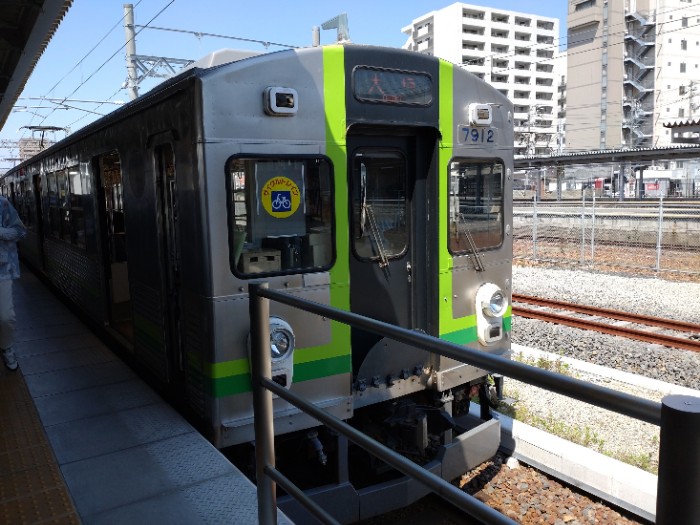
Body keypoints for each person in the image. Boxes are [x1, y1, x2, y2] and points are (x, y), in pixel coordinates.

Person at [0, 195, 26, 371]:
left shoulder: (2, 203)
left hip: (2, 270)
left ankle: (7, 347)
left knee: (6, 317)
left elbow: (20, 231)